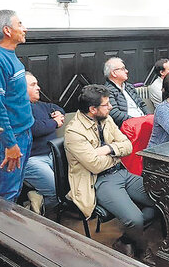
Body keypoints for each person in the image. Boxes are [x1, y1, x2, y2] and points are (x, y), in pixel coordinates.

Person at [65, 84, 157, 265]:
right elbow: (95, 165)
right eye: (106, 104)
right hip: (99, 181)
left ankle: (125, 242)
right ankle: (140, 251)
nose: (111, 107)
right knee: (135, 219)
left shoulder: (105, 119)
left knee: (161, 202)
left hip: (121, 172)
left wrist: (107, 148)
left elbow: (128, 145)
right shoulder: (74, 131)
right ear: (93, 109)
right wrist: (117, 153)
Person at [0, 10, 33, 201]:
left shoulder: (8, 54)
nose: (24, 29)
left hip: (23, 133)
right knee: (4, 197)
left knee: (15, 190)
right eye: (20, 24)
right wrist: (10, 143)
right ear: (7, 30)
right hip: (9, 140)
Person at [23, 71, 64, 214]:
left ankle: (37, 197)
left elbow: (57, 108)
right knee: (55, 190)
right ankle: (35, 211)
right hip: (33, 159)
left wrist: (58, 114)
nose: (38, 87)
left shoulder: (41, 105)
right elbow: (34, 128)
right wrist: (54, 122)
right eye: (33, 84)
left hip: (53, 155)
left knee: (74, 181)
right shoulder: (19, 108)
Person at [104, 57, 148, 127]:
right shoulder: (107, 91)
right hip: (129, 126)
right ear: (114, 73)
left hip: (143, 122)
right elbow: (114, 113)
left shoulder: (129, 86)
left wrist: (148, 117)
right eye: (123, 69)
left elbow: (142, 104)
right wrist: (136, 120)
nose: (127, 71)